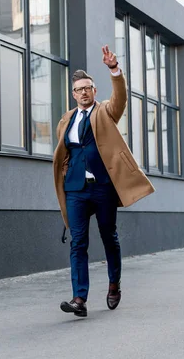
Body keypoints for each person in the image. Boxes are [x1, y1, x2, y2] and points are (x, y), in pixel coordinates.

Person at [52, 45, 155, 317]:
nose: (83, 92)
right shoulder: (66, 121)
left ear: (94, 91)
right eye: (79, 89)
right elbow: (65, 152)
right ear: (73, 94)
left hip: (103, 187)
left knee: (109, 236)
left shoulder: (105, 112)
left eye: (88, 88)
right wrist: (65, 173)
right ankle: (79, 299)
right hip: (75, 189)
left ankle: (113, 284)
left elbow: (119, 99)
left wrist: (114, 70)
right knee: (78, 242)